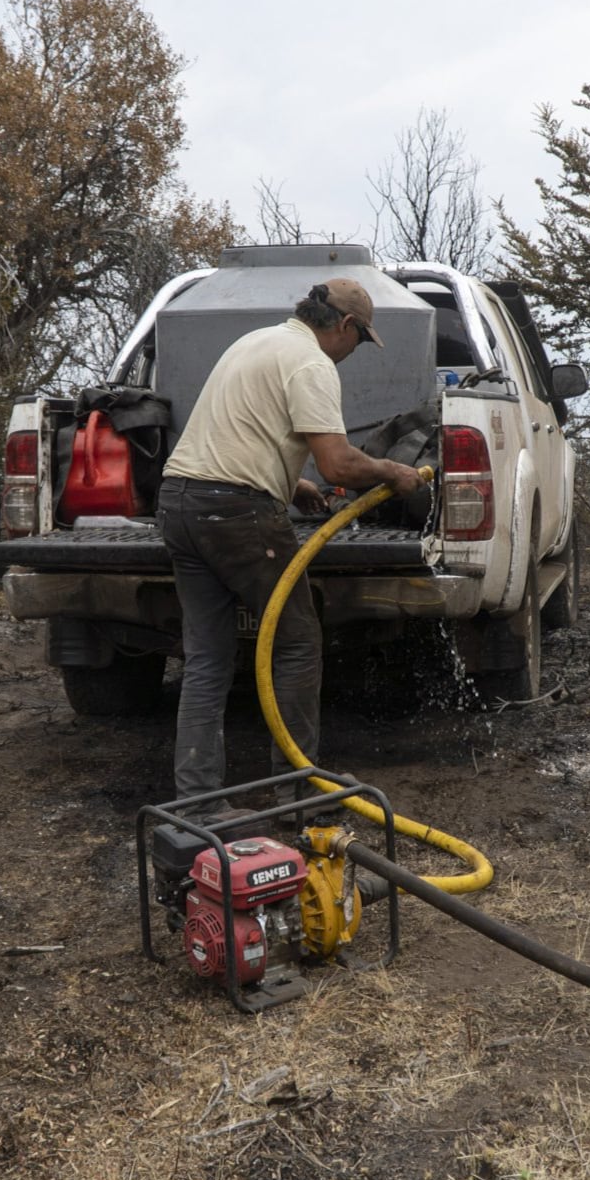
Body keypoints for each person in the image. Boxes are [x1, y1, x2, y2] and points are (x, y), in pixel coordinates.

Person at [158, 278, 424, 805]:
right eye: (360, 340)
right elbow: (338, 463)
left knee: (207, 658)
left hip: (179, 502)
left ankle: (198, 800)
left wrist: (291, 482)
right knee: (297, 640)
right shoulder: (312, 364)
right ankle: (297, 793)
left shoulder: (254, 342)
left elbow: (236, 431)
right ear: (345, 326)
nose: (354, 353)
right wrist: (394, 471)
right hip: (235, 513)